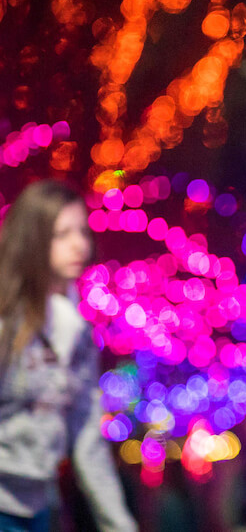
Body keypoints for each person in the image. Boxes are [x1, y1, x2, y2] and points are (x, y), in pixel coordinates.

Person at [0, 181, 137, 532]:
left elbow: (86, 430)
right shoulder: (6, 321)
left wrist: (119, 524)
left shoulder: (74, 326)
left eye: (82, 231)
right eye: (62, 234)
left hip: (41, 506)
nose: (80, 244)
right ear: (32, 239)